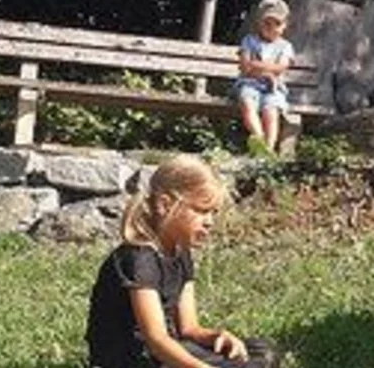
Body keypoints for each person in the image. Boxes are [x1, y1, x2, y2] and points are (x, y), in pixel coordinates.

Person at [85, 155, 282, 368]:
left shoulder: (181, 253)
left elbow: (189, 328)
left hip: (165, 350)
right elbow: (156, 340)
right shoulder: (139, 259)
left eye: (213, 213)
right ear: (165, 205)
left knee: (263, 352)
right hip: (133, 359)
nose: (209, 222)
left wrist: (217, 336)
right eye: (201, 211)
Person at [234, 0, 295, 157]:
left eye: (277, 24)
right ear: (260, 23)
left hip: (274, 87)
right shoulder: (249, 40)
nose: (272, 28)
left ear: (284, 26)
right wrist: (267, 72)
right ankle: (259, 139)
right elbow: (245, 66)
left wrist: (257, 65)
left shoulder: (285, 46)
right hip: (249, 83)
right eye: (267, 23)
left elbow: (281, 67)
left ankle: (268, 148)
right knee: (247, 103)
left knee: (271, 111)